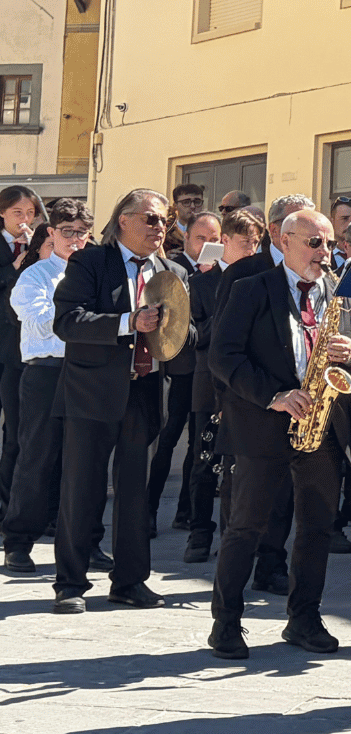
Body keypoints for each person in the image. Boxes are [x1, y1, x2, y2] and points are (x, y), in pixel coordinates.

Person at [207, 210, 351, 660]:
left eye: (330, 245)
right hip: (263, 423)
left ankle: (304, 618)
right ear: (285, 240)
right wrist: (273, 395)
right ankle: (226, 622)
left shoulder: (336, 294)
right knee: (247, 525)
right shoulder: (250, 288)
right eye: (315, 243)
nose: (325, 254)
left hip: (320, 426)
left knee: (316, 526)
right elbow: (223, 357)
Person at [51, 188, 175, 612]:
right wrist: (128, 322)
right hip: (92, 392)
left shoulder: (171, 271)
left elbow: (186, 335)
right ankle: (69, 583)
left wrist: (179, 333)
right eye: (152, 219)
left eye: (165, 221)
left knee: (134, 493)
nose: (161, 228)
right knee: (81, 489)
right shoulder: (92, 260)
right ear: (124, 219)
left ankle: (129, 581)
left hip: (143, 391)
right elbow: (67, 321)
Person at [3, 204, 90, 574]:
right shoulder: (35, 275)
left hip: (88, 373)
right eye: (67, 230)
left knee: (85, 461)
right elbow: (39, 323)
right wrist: (89, 323)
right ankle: (19, 542)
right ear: (51, 233)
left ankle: (87, 541)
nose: (75, 238)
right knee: (36, 457)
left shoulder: (95, 275)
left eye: (81, 232)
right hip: (46, 373)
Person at [183, 208, 264, 563]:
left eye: (256, 242)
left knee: (239, 466)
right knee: (204, 461)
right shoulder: (201, 282)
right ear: (224, 242)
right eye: (244, 241)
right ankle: (199, 533)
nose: (251, 248)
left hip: (247, 383)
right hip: (208, 383)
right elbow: (197, 336)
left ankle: (235, 538)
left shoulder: (263, 277)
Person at [147, 210, 217, 534]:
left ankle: (185, 511)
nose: (207, 244)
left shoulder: (221, 274)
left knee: (198, 444)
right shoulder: (174, 268)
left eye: (214, 239)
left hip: (209, 369)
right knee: (171, 434)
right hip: (183, 365)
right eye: (201, 238)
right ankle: (149, 508)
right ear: (187, 238)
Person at [0, 184, 44, 515]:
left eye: (30, 213)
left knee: (16, 433)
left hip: (20, 352)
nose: (24, 220)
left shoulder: (39, 246)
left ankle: (10, 506)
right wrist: (10, 271)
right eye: (17, 213)